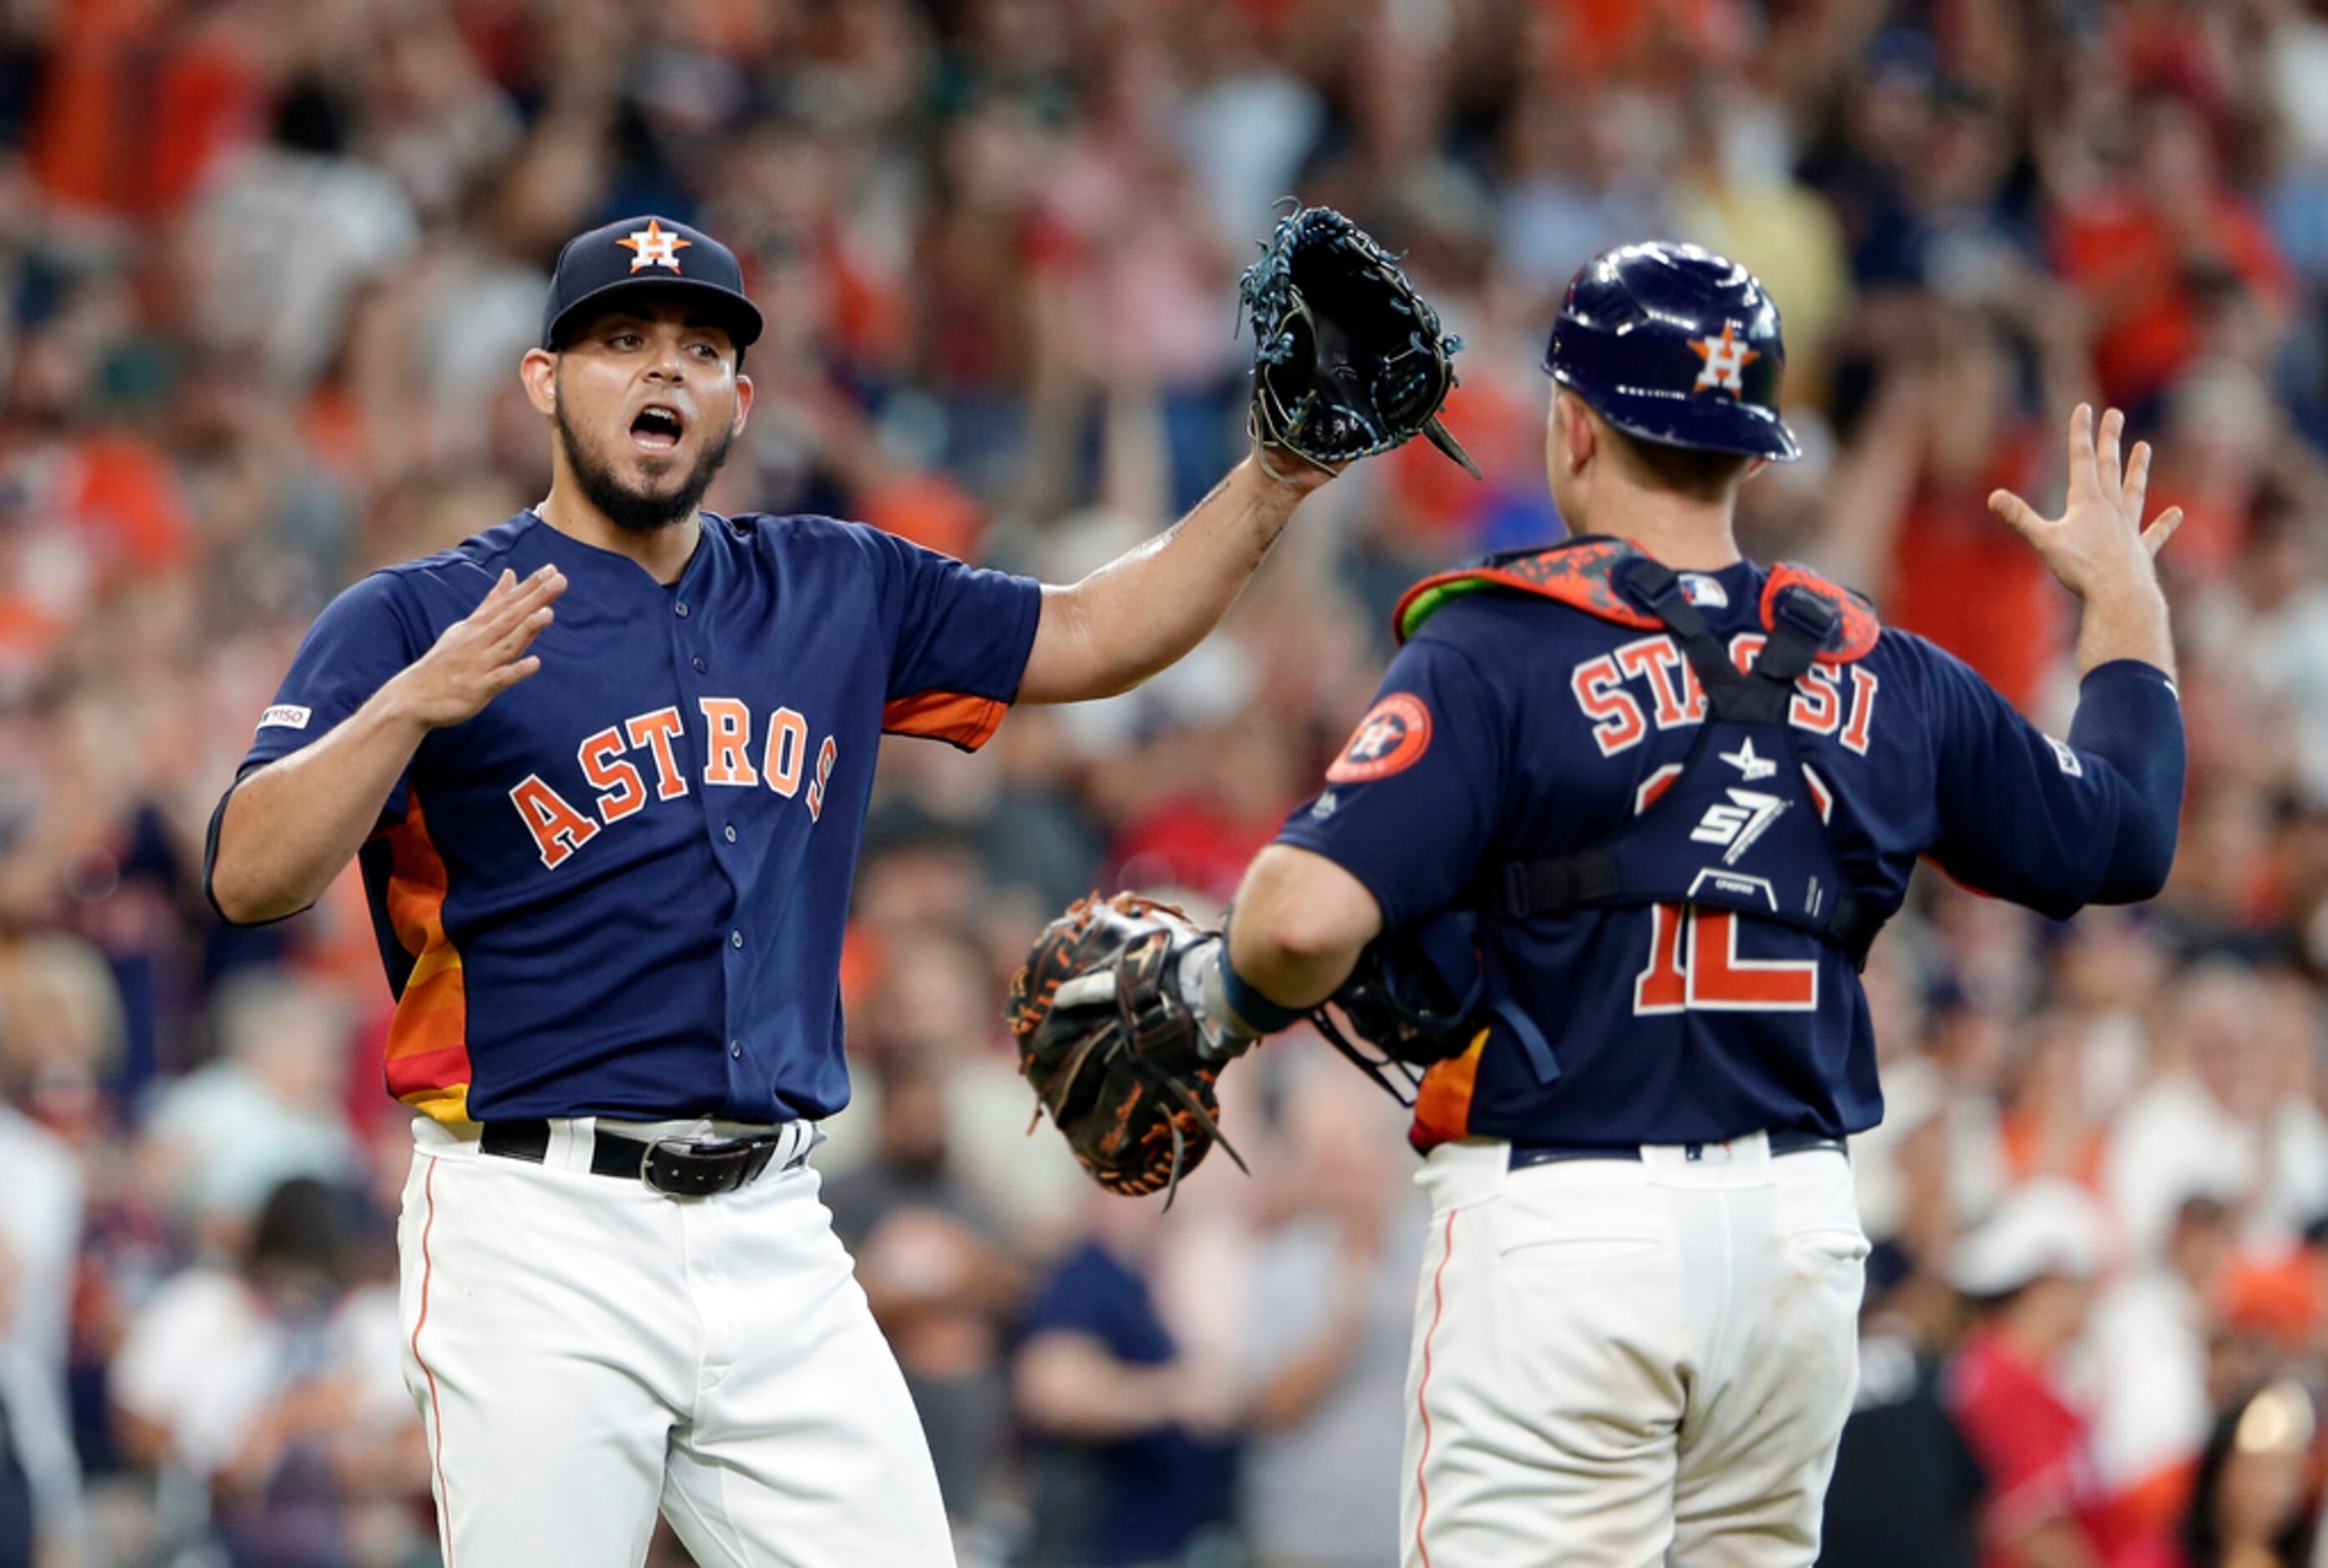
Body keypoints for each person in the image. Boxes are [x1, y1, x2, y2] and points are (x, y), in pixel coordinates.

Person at [202, 213, 1342, 1566]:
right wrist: (408, 705)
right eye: (619, 342)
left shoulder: (834, 585)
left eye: (698, 347)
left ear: (742, 397)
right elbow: (247, 872)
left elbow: (1099, 632)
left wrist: (1279, 470)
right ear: (541, 381)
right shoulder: (421, 617)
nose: (661, 373)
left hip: (775, 1225)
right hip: (538, 1224)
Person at [1153, 242, 2187, 1564]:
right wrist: (2123, 606)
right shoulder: (1886, 667)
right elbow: (2126, 832)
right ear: (1755, 452)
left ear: (1572, 426)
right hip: (1796, 1247)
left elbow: (1299, 918)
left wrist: (1220, 1000)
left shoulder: (1504, 643)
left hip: (1569, 1223)